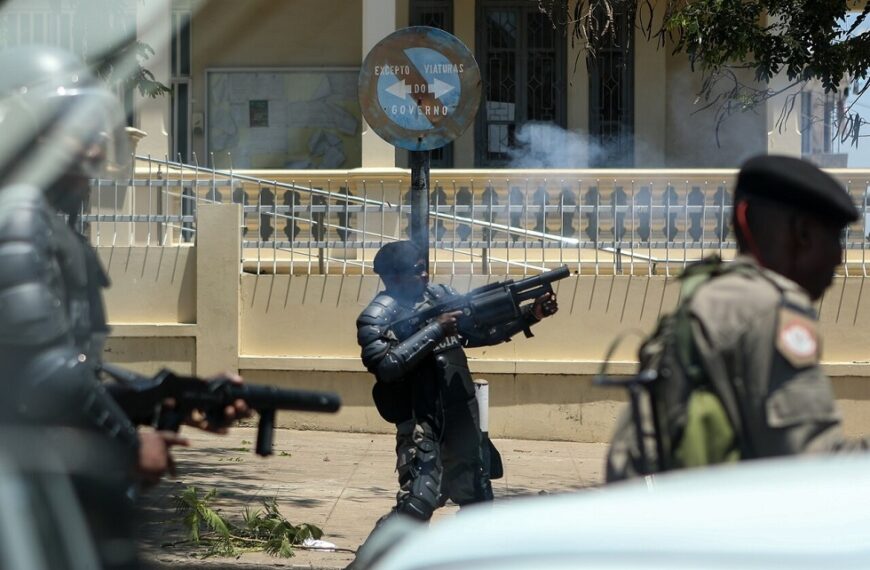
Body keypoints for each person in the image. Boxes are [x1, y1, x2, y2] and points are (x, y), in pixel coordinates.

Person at [0, 45, 246, 487]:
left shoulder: (45, 223)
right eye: (76, 128)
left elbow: (71, 371)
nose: (94, 147)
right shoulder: (15, 216)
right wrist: (129, 444)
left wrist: (170, 396)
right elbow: (44, 375)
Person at [606, 155, 869, 481]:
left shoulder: (709, 292)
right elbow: (815, 469)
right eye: (835, 237)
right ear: (801, 233)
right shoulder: (769, 309)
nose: (839, 257)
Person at [356, 240, 559, 523]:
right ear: (393, 277)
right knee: (417, 504)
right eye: (416, 271)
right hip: (422, 422)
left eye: (424, 268)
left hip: (462, 416)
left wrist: (530, 314)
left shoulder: (439, 296)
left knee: (478, 502)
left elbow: (480, 333)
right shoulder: (378, 316)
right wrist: (437, 328)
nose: (424, 275)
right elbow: (385, 366)